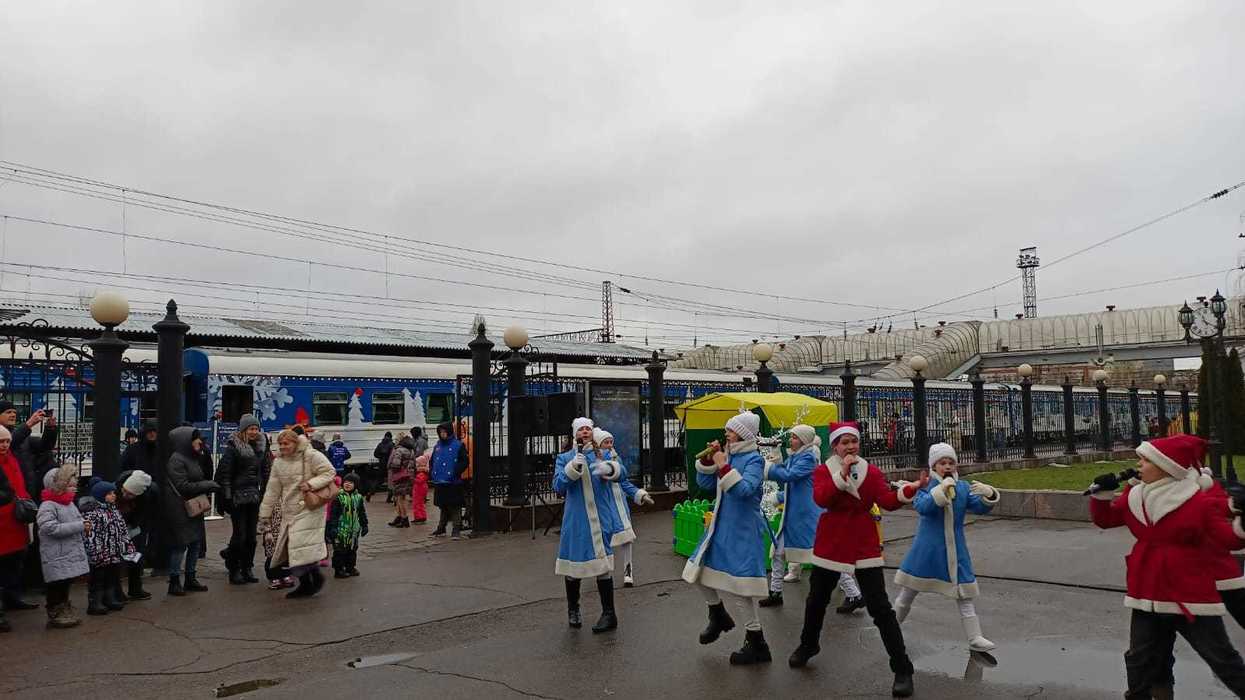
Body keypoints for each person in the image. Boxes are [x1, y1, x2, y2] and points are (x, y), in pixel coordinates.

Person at [1088, 434, 1245, 698]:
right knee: (1139, 658)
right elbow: (1107, 519)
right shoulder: (1134, 496)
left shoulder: (1196, 501)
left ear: (1166, 466)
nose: (1138, 464)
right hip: (1146, 589)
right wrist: (1101, 495)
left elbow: (1228, 538)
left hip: (1189, 593)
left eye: (1146, 460)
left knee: (1221, 657)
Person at [788, 421, 924, 698]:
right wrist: (842, 475)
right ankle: (808, 644)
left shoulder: (870, 471)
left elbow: (886, 500)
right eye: (844, 442)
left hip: (864, 544)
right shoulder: (823, 471)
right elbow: (821, 499)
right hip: (832, 542)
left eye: (854, 441)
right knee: (816, 600)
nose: (850, 447)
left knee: (880, 608)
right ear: (835, 446)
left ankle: (902, 668)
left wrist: (910, 489)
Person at [682, 411, 771, 665]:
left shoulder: (754, 460)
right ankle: (718, 614)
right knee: (697, 571)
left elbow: (745, 491)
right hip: (721, 527)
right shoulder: (730, 455)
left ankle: (757, 642)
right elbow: (707, 485)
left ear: (742, 434)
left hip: (743, 530)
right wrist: (709, 462)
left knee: (741, 587)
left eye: (730, 430)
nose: (726, 434)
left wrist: (723, 465)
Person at [893, 443, 1001, 652]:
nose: (948, 466)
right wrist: (940, 491)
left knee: (964, 592)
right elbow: (922, 507)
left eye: (951, 462)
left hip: (956, 550)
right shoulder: (926, 486)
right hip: (928, 550)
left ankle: (975, 637)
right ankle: (891, 627)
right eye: (942, 463)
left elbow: (979, 507)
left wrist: (988, 495)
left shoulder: (962, 487)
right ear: (934, 466)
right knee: (909, 591)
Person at [554, 417, 622, 633]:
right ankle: (573, 610)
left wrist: (609, 468)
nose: (584, 432)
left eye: (587, 429)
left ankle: (609, 614)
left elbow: (622, 474)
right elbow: (558, 486)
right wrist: (573, 467)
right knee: (573, 566)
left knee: (603, 566)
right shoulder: (565, 458)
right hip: (577, 521)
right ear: (574, 434)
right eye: (580, 429)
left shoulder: (604, 454)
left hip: (601, 519)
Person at [259, 429, 336, 598]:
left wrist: (311, 484)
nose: (282, 447)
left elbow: (329, 472)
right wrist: (265, 513)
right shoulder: (279, 462)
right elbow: (272, 490)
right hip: (290, 509)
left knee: (299, 544)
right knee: (293, 548)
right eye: (280, 444)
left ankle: (311, 580)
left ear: (295, 443)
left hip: (309, 507)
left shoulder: (311, 455)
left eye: (286, 443)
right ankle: (310, 580)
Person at [759, 424, 822, 608]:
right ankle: (775, 592)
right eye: (792, 436)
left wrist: (767, 468)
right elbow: (790, 483)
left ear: (804, 440)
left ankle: (853, 593)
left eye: (795, 437)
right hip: (793, 516)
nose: (791, 440)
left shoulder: (808, 458)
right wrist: (775, 453)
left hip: (805, 516)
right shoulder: (797, 456)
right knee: (778, 553)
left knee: (823, 557)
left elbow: (788, 475)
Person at [161, 426, 218, 596]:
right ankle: (174, 581)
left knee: (195, 543)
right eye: (195, 439)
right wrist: (207, 485)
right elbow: (182, 485)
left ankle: (190, 577)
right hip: (179, 508)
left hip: (192, 507)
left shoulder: (192, 457)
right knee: (181, 545)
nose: (199, 442)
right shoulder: (177, 460)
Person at [593, 428, 653, 587]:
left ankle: (628, 571)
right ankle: (603, 571)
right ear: (598, 444)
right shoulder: (594, 460)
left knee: (627, 538)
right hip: (605, 505)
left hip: (620, 505)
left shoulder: (616, 458)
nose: (609, 445)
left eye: (611, 442)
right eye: (606, 442)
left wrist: (639, 494)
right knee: (604, 539)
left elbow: (624, 482)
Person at [217, 414, 272, 586]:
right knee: (239, 535)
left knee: (251, 537)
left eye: (256, 428)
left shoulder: (262, 447)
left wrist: (266, 492)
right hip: (238, 497)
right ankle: (234, 568)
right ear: (243, 430)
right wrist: (227, 497)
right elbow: (225, 474)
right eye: (251, 429)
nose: (254, 432)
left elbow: (266, 471)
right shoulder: (234, 448)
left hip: (255, 496)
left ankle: (247, 567)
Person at [36, 466, 87, 629]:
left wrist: (83, 524)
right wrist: (80, 526)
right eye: (69, 486)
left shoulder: (69, 504)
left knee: (65, 583)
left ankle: (64, 607)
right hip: (56, 555)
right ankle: (55, 611)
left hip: (68, 553)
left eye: (74, 485)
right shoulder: (48, 506)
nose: (73, 489)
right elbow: (49, 528)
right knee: (56, 585)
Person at [78, 478, 136, 616]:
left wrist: (127, 545)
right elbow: (90, 535)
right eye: (109, 493)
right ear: (101, 495)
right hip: (100, 553)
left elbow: (122, 530)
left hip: (113, 551)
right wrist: (95, 551)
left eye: (113, 493)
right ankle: (95, 602)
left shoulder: (114, 510)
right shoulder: (92, 512)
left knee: (111, 576)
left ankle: (109, 598)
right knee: (97, 578)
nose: (114, 495)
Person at [0, 425, 33, 631]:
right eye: (1, 442)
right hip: (3, 519)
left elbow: (19, 484)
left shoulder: (12, 458)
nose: (4, 445)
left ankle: (11, 598)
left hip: (15, 518)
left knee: (14, 563)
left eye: (6, 441)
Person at [113, 469, 155, 601]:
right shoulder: (117, 487)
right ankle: (116, 591)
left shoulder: (146, 496)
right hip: (118, 526)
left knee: (135, 558)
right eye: (124, 491)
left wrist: (134, 523)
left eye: (130, 494)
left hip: (134, 528)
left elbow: (144, 514)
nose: (125, 494)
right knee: (116, 560)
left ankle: (135, 588)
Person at [429, 422, 469, 539]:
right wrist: (432, 472)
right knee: (443, 506)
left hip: (453, 481)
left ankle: (456, 529)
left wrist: (455, 472)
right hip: (440, 480)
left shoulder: (458, 445)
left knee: (454, 506)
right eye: (440, 432)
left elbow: (464, 461)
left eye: (444, 432)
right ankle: (441, 528)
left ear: (449, 432)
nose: (442, 434)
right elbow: (432, 460)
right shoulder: (437, 446)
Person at [327, 473, 368, 578]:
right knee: (340, 550)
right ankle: (339, 569)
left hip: (353, 530)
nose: (347, 484)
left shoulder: (358, 497)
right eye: (346, 482)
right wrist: (333, 527)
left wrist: (364, 525)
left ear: (356, 485)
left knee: (352, 549)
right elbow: (334, 514)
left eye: (351, 482)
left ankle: (350, 567)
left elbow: (361, 513)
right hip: (341, 530)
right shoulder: (339, 497)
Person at [386, 431, 417, 528]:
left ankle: (404, 518)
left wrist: (391, 466)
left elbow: (396, 464)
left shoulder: (399, 450)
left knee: (400, 499)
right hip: (408, 476)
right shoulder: (411, 450)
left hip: (400, 477)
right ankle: (400, 517)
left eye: (396, 439)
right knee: (402, 498)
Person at [370, 432, 395, 501]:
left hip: (381, 465)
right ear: (391, 437)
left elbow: (375, 454)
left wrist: (381, 457)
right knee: (391, 481)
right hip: (389, 465)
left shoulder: (380, 444)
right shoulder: (392, 445)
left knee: (378, 480)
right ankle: (389, 498)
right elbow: (393, 455)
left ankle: (370, 493)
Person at [412, 452, 430, 524]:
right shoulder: (423, 471)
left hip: (419, 490)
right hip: (419, 489)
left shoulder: (421, 472)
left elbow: (419, 481)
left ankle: (420, 517)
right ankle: (419, 517)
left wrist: (413, 479)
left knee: (418, 504)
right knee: (418, 503)